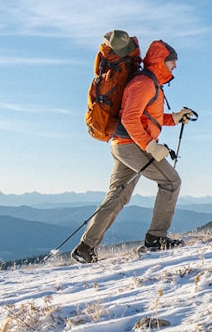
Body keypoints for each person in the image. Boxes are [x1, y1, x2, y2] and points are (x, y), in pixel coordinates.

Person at [71, 38, 194, 263]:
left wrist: (175, 118)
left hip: (123, 145)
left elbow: (148, 118)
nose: (175, 66)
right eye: (172, 62)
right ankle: (156, 238)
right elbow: (129, 119)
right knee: (171, 182)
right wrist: (150, 146)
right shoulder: (144, 84)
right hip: (132, 146)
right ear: (160, 61)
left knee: (118, 196)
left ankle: (85, 248)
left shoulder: (151, 83)